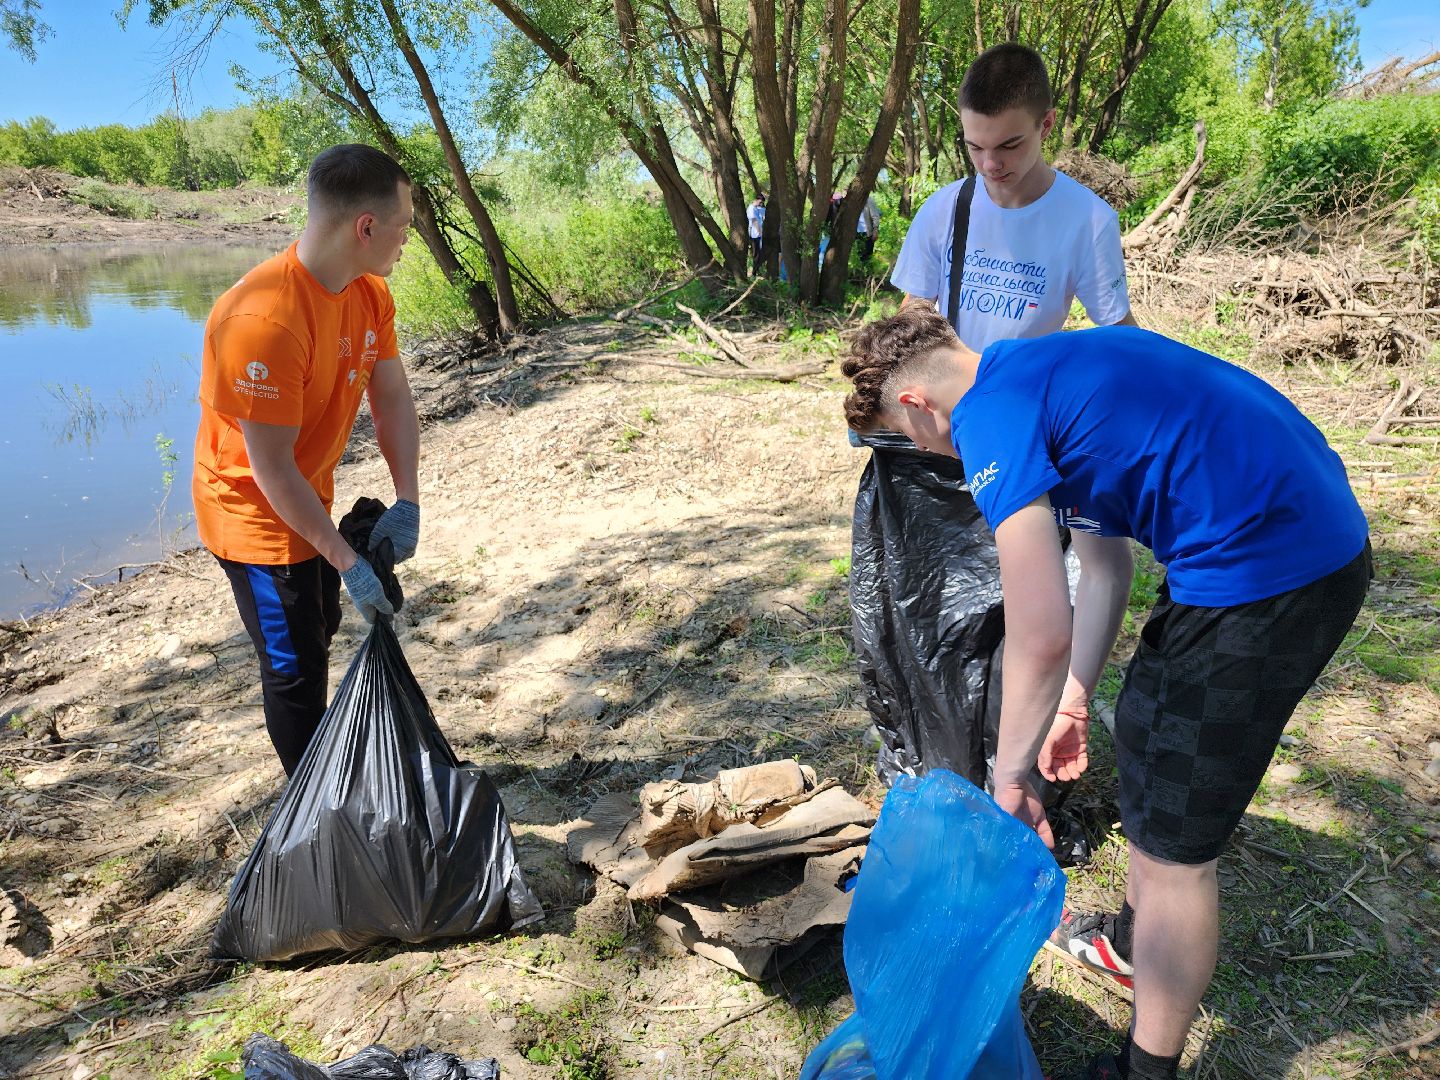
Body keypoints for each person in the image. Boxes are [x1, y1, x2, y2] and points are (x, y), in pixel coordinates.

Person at [840, 307, 1371, 1080]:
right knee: (1148, 739)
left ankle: (1145, 1069)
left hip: (1273, 574)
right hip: (1277, 539)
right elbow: (1105, 568)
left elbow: (1039, 630)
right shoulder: (1041, 376)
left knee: (1175, 855)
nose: (922, 453)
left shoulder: (987, 416)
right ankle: (1128, 942)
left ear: (919, 404)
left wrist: (1009, 777)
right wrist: (1073, 701)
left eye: (907, 436)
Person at [849, 43, 1135, 817]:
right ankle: (937, 749)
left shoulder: (1085, 219)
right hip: (943, 430)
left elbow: (1118, 338)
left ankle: (1018, 764)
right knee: (931, 612)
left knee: (1026, 609)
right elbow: (912, 325)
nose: (991, 165)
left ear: (1047, 125)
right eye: (975, 148)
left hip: (1025, 434)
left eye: (1008, 145)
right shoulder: (947, 209)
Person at [193, 143, 423, 777]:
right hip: (253, 514)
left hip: (307, 491)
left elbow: (392, 398)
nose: (409, 238)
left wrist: (408, 498)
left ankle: (328, 780)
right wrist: (345, 558)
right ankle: (311, 801)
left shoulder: (368, 293)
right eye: (404, 225)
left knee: (318, 627)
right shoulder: (264, 320)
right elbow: (270, 470)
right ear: (365, 227)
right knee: (294, 666)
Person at [855, 194, 881, 262]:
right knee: (857, 255)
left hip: (867, 233)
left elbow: (875, 216)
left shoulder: (869, 200)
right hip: (855, 233)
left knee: (867, 255)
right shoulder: (851, 201)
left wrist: (875, 230)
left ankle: (867, 266)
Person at [747, 192, 766, 277]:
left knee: (760, 253)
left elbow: (763, 212)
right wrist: (760, 232)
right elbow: (755, 222)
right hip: (755, 235)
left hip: (758, 235)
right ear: (756, 200)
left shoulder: (757, 208)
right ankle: (754, 273)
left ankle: (758, 270)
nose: (761, 204)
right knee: (756, 254)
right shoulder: (751, 208)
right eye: (760, 202)